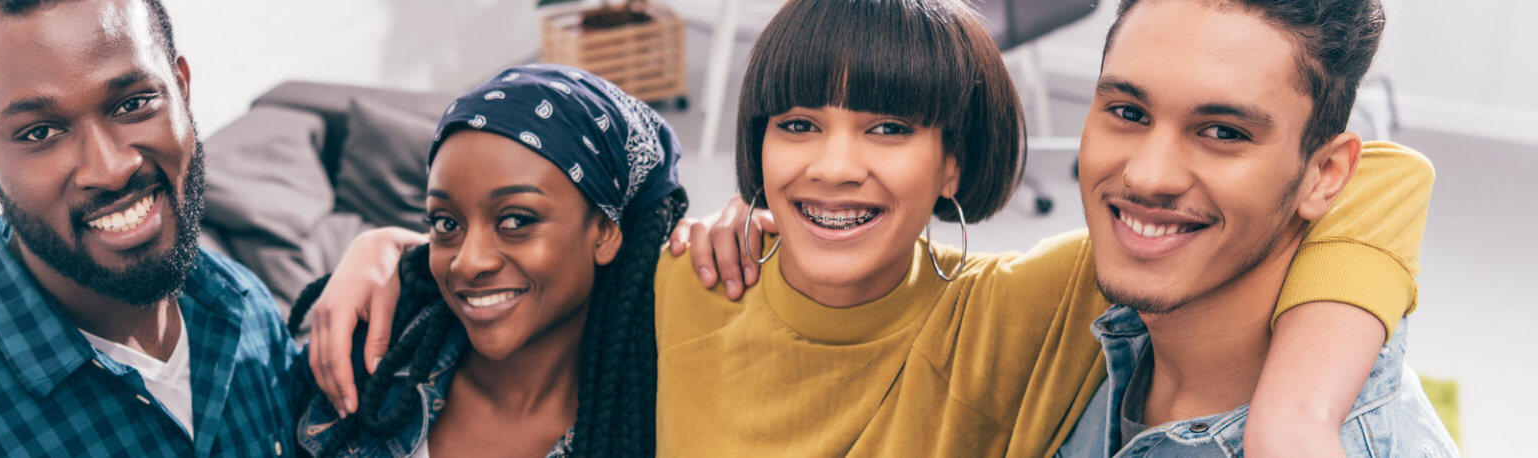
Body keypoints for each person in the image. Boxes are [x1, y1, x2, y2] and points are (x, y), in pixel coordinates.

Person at [307, 0, 1429, 455]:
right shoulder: (692, 279)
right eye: (798, 121)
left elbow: (1378, 171)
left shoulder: (1031, 308)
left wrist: (1293, 418)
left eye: (889, 126)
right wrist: (389, 251)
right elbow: (523, 252)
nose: (833, 163)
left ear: (952, 157)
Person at [0, 0, 303, 456]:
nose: (110, 169)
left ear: (181, 89)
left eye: (134, 103)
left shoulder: (243, 303)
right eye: (40, 132)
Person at [1049, 0, 1458, 455]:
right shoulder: (1072, 313)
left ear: (1324, 173)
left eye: (1223, 132)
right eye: (1129, 112)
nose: (1147, 176)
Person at [292, 64, 686, 457]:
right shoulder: (365, 366)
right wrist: (379, 243)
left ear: (603, 230)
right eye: (447, 222)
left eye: (515, 220)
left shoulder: (661, 423)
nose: (468, 262)